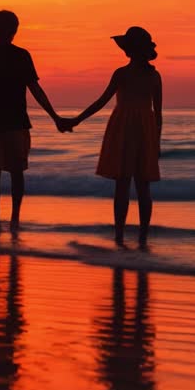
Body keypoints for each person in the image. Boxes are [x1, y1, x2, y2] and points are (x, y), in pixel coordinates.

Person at [0, 10, 66, 235]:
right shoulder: (21, 56)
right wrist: (55, 117)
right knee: (16, 172)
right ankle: (14, 220)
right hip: (15, 122)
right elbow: (36, 90)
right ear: (15, 30)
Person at [63, 26, 162, 248]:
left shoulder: (123, 73)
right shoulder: (154, 75)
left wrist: (76, 120)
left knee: (123, 184)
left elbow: (101, 102)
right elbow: (158, 113)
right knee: (143, 185)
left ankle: (119, 236)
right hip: (145, 129)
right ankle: (142, 238)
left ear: (129, 50)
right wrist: (157, 140)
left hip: (124, 127)